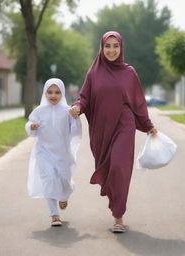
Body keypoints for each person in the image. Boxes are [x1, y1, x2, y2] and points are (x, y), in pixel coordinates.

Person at [70, 31, 157, 233]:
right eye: (107, 46)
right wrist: (78, 107)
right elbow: (84, 97)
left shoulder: (129, 73)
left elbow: (138, 102)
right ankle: (114, 198)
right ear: (101, 47)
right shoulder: (94, 73)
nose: (111, 50)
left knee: (119, 166)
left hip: (124, 124)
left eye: (115, 46)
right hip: (101, 128)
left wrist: (148, 124)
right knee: (110, 168)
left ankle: (118, 217)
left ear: (121, 48)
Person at [25, 78, 82, 227]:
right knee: (49, 179)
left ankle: (63, 195)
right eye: (50, 92)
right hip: (43, 152)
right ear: (45, 93)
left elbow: (75, 131)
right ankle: (54, 214)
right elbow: (29, 124)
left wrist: (75, 117)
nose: (53, 95)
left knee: (64, 180)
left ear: (62, 93)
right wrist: (32, 126)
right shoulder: (39, 111)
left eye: (57, 92)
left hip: (63, 153)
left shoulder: (67, 110)